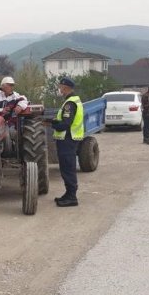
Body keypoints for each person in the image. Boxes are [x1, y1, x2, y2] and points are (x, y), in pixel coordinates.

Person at [51, 77, 84, 207]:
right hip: (69, 139)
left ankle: (71, 197)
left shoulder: (70, 104)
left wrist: (53, 123)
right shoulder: (72, 101)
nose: (60, 90)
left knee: (68, 168)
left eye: (60, 87)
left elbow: (65, 124)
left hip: (67, 139)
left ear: (65, 88)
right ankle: (68, 193)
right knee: (66, 167)